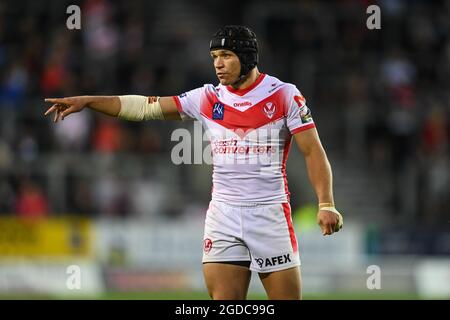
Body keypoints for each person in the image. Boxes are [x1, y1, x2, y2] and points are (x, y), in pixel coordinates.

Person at [44, 25, 343, 300]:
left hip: (269, 214)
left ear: (247, 57)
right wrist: (89, 100)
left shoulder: (284, 95)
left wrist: (326, 203)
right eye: (215, 56)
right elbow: (145, 108)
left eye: (226, 55)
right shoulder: (206, 97)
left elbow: (312, 151)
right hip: (223, 216)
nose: (218, 63)